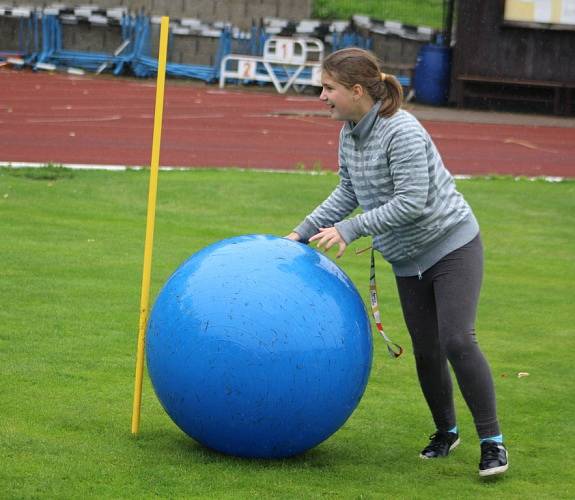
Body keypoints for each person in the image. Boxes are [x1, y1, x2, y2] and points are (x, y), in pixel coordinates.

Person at [286, 48, 508, 477]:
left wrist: (350, 230)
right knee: (426, 351)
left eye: (328, 88)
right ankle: (446, 432)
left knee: (458, 341)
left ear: (355, 90)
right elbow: (347, 191)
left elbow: (412, 201)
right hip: (407, 259)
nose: (321, 96)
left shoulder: (400, 130)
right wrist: (300, 232)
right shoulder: (349, 131)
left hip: (451, 246)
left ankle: (492, 442)